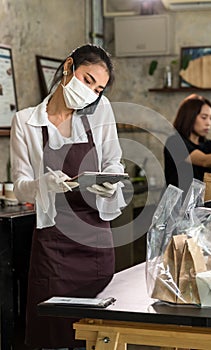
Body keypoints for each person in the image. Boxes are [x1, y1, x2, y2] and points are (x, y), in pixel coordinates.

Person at [10, 44, 126, 349]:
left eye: (99, 88)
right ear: (69, 67)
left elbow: (114, 160)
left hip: (95, 240)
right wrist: (44, 184)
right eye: (88, 80)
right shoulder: (26, 122)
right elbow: (20, 184)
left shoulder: (101, 111)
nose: (92, 92)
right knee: (53, 332)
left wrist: (110, 182)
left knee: (98, 332)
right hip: (53, 245)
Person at [164, 94, 211, 195]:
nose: (208, 123)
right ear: (189, 117)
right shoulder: (175, 142)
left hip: (201, 205)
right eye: (204, 117)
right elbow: (204, 160)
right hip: (178, 206)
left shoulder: (208, 145)